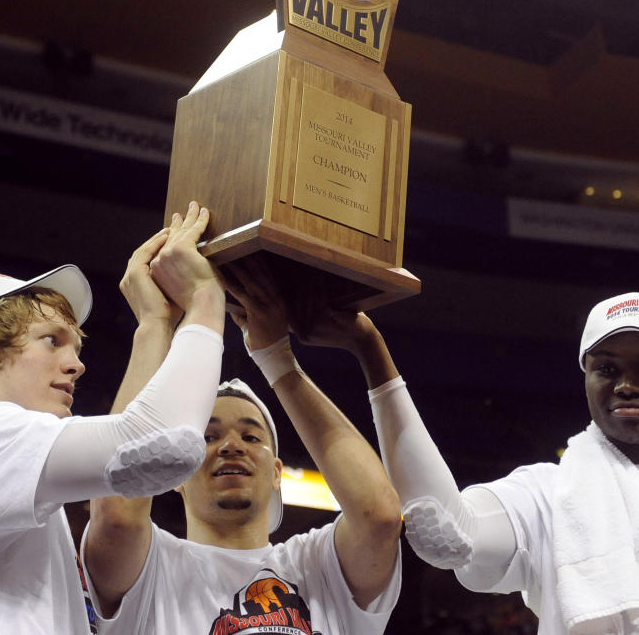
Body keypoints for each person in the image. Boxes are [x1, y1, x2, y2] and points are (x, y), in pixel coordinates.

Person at [0, 202, 226, 635]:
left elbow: (133, 459)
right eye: (52, 341)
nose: (76, 365)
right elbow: (162, 446)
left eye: (76, 349)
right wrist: (206, 299)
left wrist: (154, 324)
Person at [359, 290, 639, 634]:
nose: (626, 385)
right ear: (586, 376)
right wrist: (371, 353)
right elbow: (446, 535)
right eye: (606, 367)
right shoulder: (551, 497)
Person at [81, 257, 403, 635]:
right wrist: (155, 325)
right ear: (178, 475)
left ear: (277, 474)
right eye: (208, 437)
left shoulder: (315, 566)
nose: (232, 446)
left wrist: (277, 359)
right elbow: (116, 510)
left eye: (251, 436)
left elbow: (380, 515)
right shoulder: (153, 565)